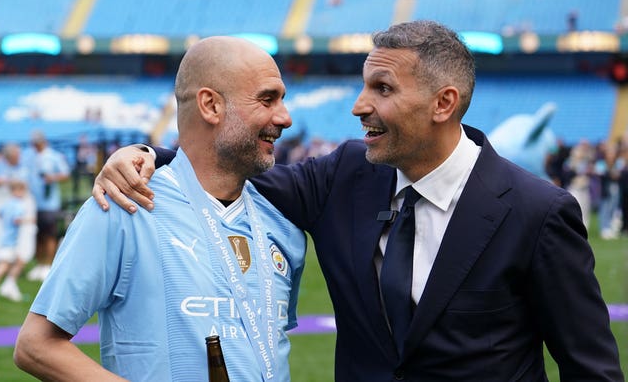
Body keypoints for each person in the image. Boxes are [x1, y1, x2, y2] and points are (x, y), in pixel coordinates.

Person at [93, 21, 624, 381]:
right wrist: (146, 153)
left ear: (444, 103)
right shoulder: (345, 174)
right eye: (363, 85)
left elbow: (591, 370)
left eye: (383, 89)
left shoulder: (536, 212)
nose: (359, 105)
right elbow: (229, 165)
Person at [14, 36, 306, 381]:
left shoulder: (283, 226)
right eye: (267, 99)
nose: (285, 118)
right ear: (210, 105)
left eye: (282, 100)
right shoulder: (124, 204)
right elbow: (36, 345)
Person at [23, 130, 70, 281]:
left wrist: (52, 177)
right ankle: (39, 263)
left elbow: (65, 174)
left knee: (50, 234)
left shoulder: (54, 156)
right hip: (33, 202)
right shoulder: (30, 156)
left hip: (49, 203)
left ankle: (48, 265)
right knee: (38, 235)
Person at [0, 180, 31, 303]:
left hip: (7, 239)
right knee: (4, 264)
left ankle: (8, 285)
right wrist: (29, 220)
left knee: (20, 261)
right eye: (21, 190)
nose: (23, 193)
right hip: (10, 241)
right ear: (14, 191)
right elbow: (17, 220)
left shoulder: (7, 204)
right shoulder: (18, 205)